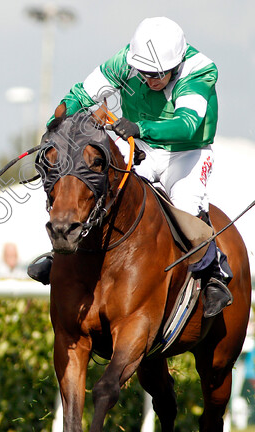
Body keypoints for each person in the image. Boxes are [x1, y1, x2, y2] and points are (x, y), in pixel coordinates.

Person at [27, 17, 231, 317]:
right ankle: (62, 257)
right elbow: (81, 95)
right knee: (100, 188)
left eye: (157, 74)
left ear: (175, 64)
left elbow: (187, 125)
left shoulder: (199, 70)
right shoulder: (124, 61)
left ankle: (214, 272)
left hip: (187, 153)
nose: (149, 80)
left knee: (186, 204)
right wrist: (55, 126)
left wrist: (140, 127)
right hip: (142, 148)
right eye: (145, 72)